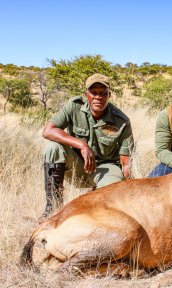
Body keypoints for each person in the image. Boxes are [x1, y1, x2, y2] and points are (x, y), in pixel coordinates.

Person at [41, 73, 134, 219]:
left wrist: (128, 190)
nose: (98, 97)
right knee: (53, 148)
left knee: (113, 194)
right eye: (94, 92)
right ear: (86, 94)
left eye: (103, 93)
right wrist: (81, 145)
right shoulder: (74, 106)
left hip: (105, 169)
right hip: (77, 166)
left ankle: (95, 213)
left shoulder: (121, 120)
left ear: (109, 95)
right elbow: (48, 131)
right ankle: (53, 209)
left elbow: (126, 162)